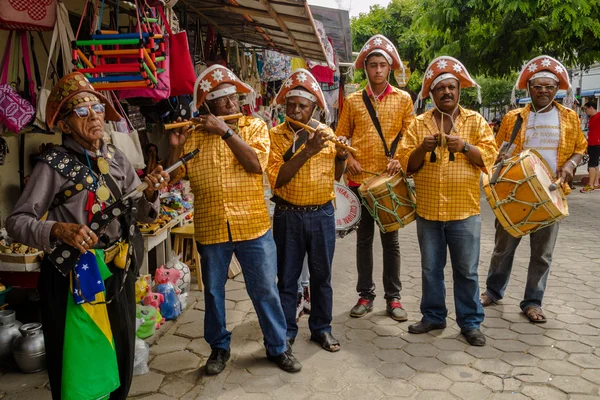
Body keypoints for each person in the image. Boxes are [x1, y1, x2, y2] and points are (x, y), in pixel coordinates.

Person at [6, 72, 168, 400]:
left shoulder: (116, 159)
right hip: (72, 276)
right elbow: (17, 221)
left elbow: (136, 211)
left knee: (120, 354)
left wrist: (150, 194)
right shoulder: (51, 166)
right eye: (82, 112)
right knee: (78, 365)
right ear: (65, 125)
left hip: (116, 274)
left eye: (96, 109)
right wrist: (57, 230)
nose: (94, 116)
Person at [165, 65, 301, 374]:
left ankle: (278, 346)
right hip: (212, 226)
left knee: (265, 288)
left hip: (252, 224)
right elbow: (172, 178)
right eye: (223, 102)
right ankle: (218, 349)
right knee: (213, 292)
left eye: (233, 100)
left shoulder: (252, 126)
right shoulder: (194, 135)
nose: (231, 106)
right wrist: (175, 148)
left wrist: (225, 131)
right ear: (209, 106)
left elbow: (255, 164)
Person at [398, 56, 498, 346]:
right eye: (440, 88)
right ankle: (433, 316)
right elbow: (407, 164)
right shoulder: (419, 124)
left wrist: (465, 146)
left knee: (466, 271)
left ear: (459, 90)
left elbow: (489, 158)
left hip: (465, 212)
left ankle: (470, 322)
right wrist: (421, 147)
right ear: (431, 93)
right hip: (428, 211)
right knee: (431, 268)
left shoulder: (475, 121)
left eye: (451, 87)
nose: (447, 92)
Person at [482, 56, 587, 323]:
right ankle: (493, 292)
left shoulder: (569, 117)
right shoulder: (513, 118)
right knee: (503, 248)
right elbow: (498, 149)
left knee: (542, 254)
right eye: (538, 86)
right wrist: (500, 159)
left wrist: (571, 166)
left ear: (557, 89)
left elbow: (580, 148)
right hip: (514, 193)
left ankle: (532, 302)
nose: (543, 91)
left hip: (551, 194)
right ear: (529, 89)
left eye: (549, 87)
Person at [267, 69, 349, 352]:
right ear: (284, 106)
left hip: (322, 214)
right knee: (287, 277)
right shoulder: (275, 136)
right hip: (288, 214)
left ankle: (321, 329)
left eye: (303, 106)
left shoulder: (325, 132)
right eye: (291, 105)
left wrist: (342, 156)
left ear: (314, 108)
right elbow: (278, 179)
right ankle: (287, 330)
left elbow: (337, 176)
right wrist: (306, 150)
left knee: (321, 276)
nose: (296, 110)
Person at [335, 35, 415, 321]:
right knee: (364, 240)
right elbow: (341, 136)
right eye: (373, 65)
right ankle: (365, 295)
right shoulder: (353, 100)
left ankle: (393, 298)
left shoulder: (404, 99)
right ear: (365, 68)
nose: (378, 70)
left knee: (390, 241)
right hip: (359, 182)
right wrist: (349, 160)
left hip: (389, 183)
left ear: (390, 68)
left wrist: (401, 158)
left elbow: (410, 134)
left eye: (382, 65)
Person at [581, 100, 599, 192]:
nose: (586, 111)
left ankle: (590, 184)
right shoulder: (591, 118)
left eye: (586, 109)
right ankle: (596, 183)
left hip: (596, 143)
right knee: (595, 164)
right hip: (591, 143)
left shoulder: (598, 116)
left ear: (591, 108)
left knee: (591, 164)